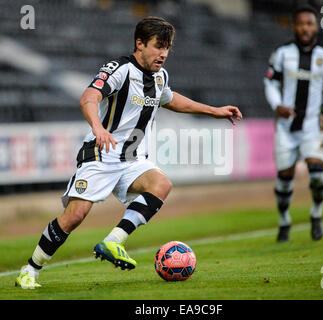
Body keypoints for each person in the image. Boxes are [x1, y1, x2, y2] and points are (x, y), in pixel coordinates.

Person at [15, 16, 242, 289]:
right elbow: (89, 97)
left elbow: (170, 99)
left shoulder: (161, 76)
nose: (164, 54)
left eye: (167, 48)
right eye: (158, 46)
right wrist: (98, 127)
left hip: (132, 160)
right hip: (101, 154)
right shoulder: (119, 69)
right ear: (140, 43)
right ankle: (30, 269)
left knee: (161, 184)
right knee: (75, 215)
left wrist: (214, 111)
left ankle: (114, 240)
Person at [264, 5, 323, 242]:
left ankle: (316, 214)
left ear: (316, 26)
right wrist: (277, 105)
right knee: (284, 178)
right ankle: (284, 221)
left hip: (314, 125)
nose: (305, 28)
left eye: (309, 23)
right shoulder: (281, 54)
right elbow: (269, 83)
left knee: (318, 174)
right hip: (286, 127)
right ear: (294, 26)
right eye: (300, 23)